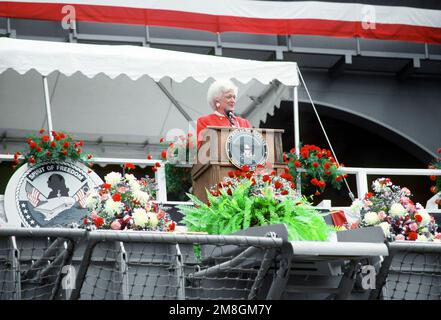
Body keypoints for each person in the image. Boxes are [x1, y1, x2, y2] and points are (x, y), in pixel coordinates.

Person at [196, 80, 251, 148]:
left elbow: (251, 146)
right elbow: (203, 150)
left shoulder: (244, 123)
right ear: (217, 101)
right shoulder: (205, 121)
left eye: (234, 97)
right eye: (229, 97)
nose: (233, 101)